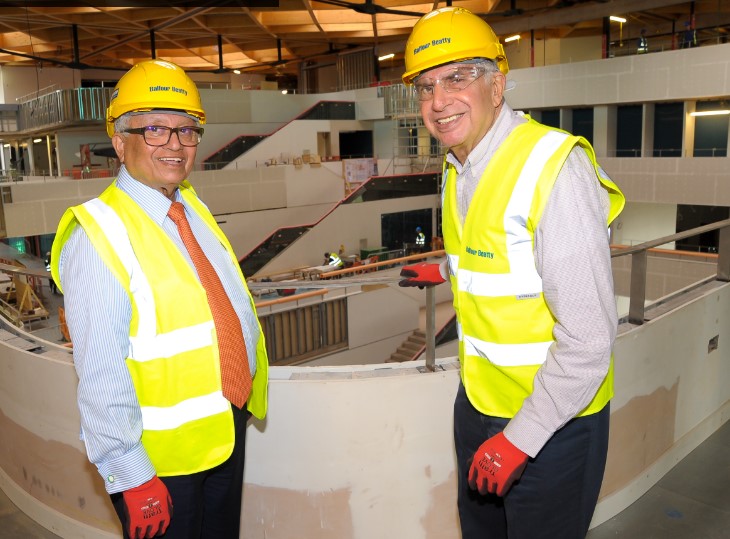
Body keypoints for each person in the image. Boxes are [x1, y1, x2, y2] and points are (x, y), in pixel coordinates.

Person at [398, 8, 625, 539]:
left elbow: (590, 340)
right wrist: (445, 272)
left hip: (555, 421)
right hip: (480, 403)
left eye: (458, 78)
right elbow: (495, 261)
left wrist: (520, 438)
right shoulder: (460, 169)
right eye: (426, 86)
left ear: (496, 86)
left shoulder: (553, 167)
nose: (438, 101)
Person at [49, 59, 268, 539]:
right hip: (159, 463)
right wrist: (132, 476)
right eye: (154, 129)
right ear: (119, 142)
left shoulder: (188, 204)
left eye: (187, 130)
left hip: (223, 428)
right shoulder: (98, 234)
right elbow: (102, 373)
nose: (175, 144)